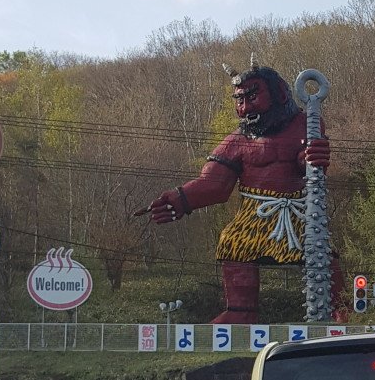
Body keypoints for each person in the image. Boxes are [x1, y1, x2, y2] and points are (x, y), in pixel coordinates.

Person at [145, 62, 342, 324]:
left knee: (323, 254)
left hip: (299, 212)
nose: (245, 108)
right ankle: (240, 310)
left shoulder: (307, 124)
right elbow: (214, 183)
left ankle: (340, 307)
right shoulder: (237, 141)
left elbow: (306, 164)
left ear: (280, 94)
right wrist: (179, 200)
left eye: (252, 97)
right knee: (232, 241)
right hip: (253, 215)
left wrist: (314, 158)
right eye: (239, 100)